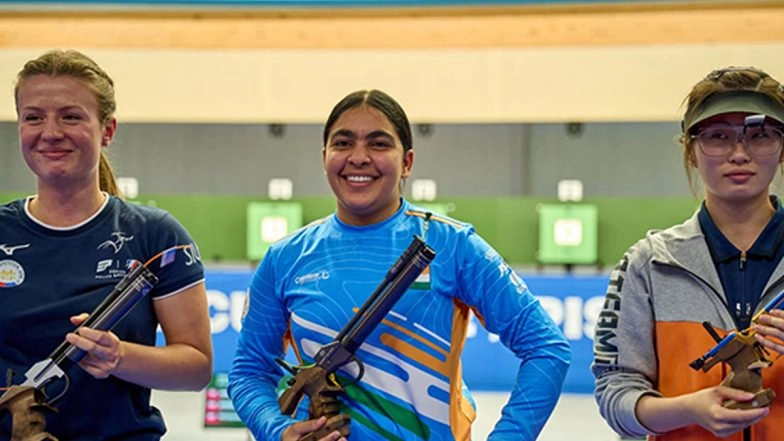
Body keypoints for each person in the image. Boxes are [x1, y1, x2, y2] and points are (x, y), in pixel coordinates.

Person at [228, 89, 571, 441]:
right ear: (325, 157)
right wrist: (278, 430)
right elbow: (249, 372)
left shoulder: (451, 244)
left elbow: (547, 348)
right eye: (343, 143)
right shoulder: (285, 258)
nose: (358, 157)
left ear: (407, 162)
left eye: (378, 144)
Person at [0, 49, 213, 440]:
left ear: (108, 130)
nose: (51, 132)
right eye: (33, 117)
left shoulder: (156, 236)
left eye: (71, 116)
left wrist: (119, 356)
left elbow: (197, 368)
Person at [593, 66, 784, 441]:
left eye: (759, 135)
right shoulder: (649, 264)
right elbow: (615, 393)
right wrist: (688, 409)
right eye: (718, 136)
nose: (739, 153)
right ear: (691, 151)